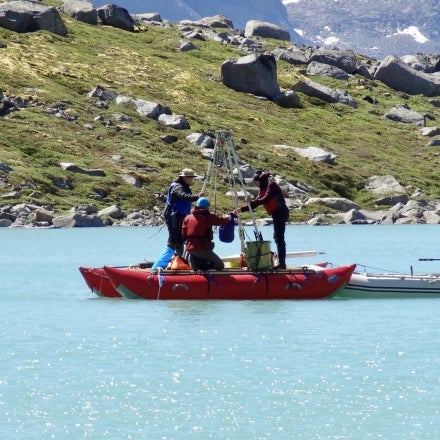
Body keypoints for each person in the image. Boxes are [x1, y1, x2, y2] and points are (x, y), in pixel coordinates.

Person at [234, 170, 290, 269]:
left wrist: (253, 200)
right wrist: (241, 209)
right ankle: (281, 263)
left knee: (279, 238)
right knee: (277, 237)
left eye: (256, 181)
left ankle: (282, 264)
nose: (255, 184)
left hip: (281, 212)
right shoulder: (262, 190)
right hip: (276, 213)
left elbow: (266, 199)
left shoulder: (272, 186)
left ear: (261, 180)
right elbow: (255, 204)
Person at [182, 197, 231, 271]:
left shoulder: (188, 217)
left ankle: (195, 259)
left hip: (189, 248)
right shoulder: (208, 216)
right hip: (201, 248)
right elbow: (220, 221)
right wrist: (228, 218)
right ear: (206, 206)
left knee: (212, 244)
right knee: (220, 265)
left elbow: (183, 233)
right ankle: (202, 266)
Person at [164, 168, 203, 256]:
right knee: (173, 238)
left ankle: (179, 259)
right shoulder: (177, 187)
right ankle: (164, 260)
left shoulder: (184, 187)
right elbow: (184, 197)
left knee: (181, 239)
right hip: (173, 216)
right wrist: (197, 197)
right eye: (190, 178)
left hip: (181, 215)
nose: (191, 180)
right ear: (184, 178)